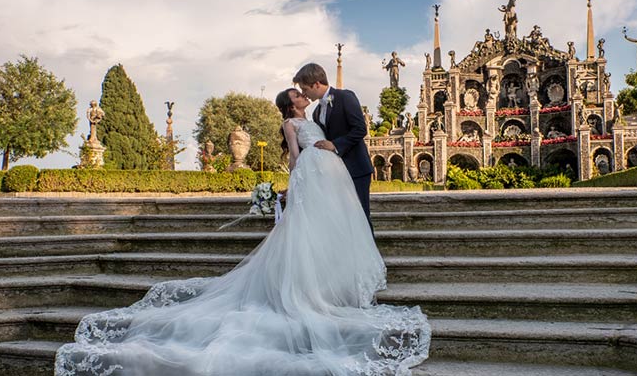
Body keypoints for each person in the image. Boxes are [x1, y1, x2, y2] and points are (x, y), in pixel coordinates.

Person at [54, 87, 431, 376]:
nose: (301, 94)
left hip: (330, 177)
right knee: (305, 237)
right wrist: (294, 186)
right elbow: (296, 158)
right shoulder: (291, 122)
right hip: (313, 177)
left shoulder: (317, 112)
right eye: (296, 93)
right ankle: (309, 291)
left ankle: (334, 283)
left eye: (301, 90)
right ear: (291, 103)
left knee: (328, 231)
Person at [294, 62, 375, 230]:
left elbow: (360, 129)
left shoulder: (345, 97)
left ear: (316, 84)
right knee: (342, 219)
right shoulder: (316, 112)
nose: (304, 93)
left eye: (305, 89)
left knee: (360, 217)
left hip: (356, 168)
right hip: (335, 173)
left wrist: (335, 145)